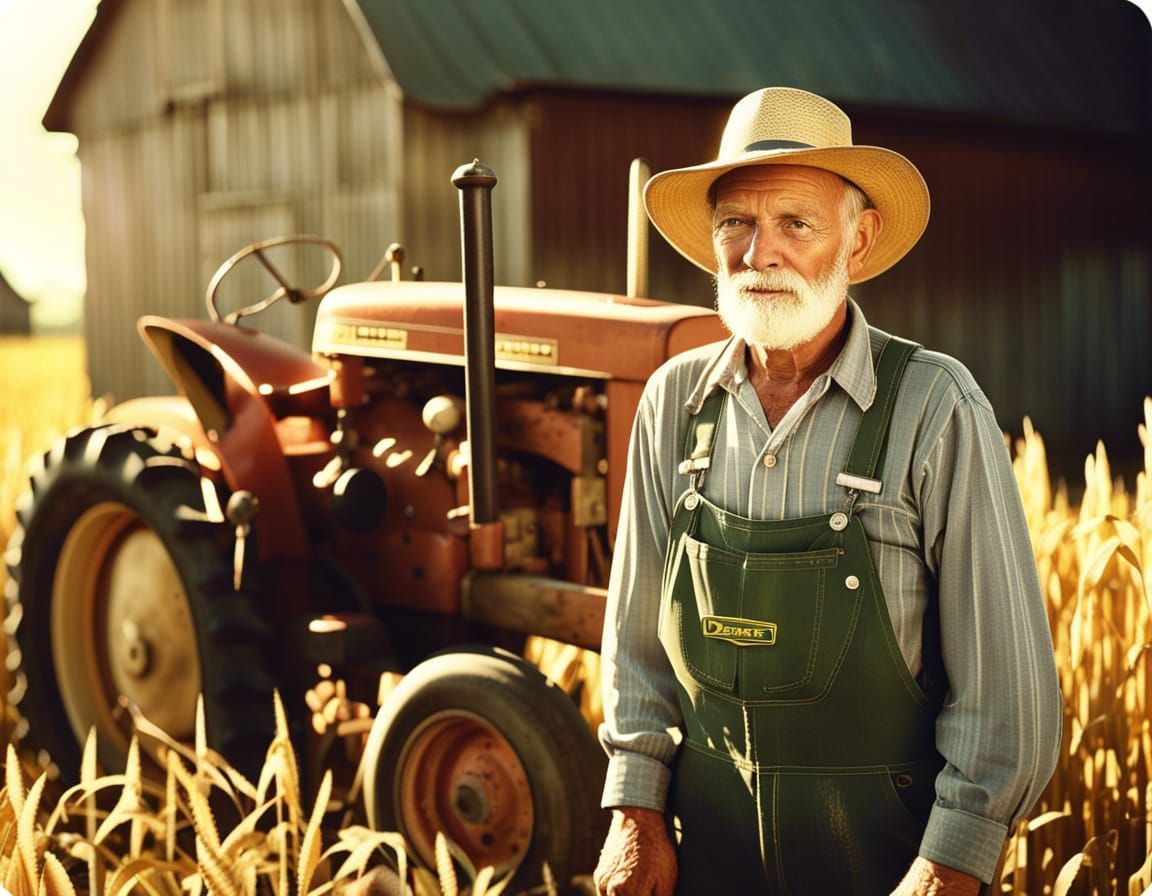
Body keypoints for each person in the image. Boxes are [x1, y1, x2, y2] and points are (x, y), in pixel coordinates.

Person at [592, 87, 1062, 896]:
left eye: (795, 224)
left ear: (860, 237)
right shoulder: (672, 405)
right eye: (735, 222)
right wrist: (634, 815)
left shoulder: (933, 407)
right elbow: (635, 646)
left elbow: (1009, 700)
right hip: (706, 860)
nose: (758, 252)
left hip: (885, 865)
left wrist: (948, 868)